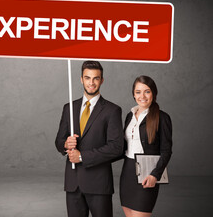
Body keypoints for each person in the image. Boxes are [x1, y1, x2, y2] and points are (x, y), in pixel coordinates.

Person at [55, 60, 124, 217]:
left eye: (96, 78)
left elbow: (116, 147)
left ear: (102, 80)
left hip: (99, 184)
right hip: (73, 184)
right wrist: (65, 144)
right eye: (87, 78)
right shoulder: (69, 108)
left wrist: (81, 156)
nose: (91, 83)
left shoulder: (112, 110)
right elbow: (58, 141)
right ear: (81, 79)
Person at [119, 76, 172, 217]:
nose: (142, 96)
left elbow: (166, 150)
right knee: (128, 213)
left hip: (148, 173)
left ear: (153, 93)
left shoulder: (162, 118)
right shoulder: (129, 116)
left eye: (147, 91)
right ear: (133, 94)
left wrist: (155, 175)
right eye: (138, 92)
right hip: (128, 172)